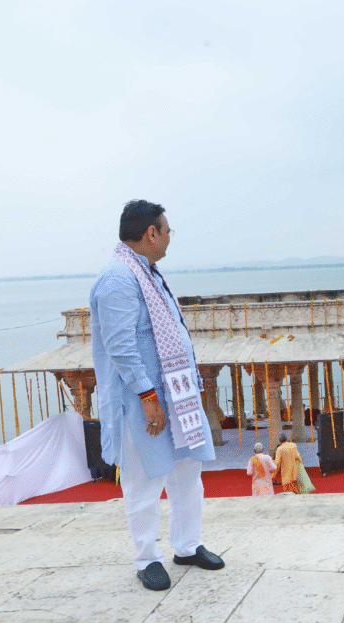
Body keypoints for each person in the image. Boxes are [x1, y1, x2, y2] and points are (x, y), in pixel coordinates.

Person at [90, 200, 224, 592]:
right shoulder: (118, 278)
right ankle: (147, 558)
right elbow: (121, 347)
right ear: (152, 233)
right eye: (167, 230)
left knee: (187, 474)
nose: (168, 237)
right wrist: (148, 397)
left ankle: (187, 546)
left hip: (177, 397)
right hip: (143, 402)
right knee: (144, 481)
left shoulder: (146, 272)